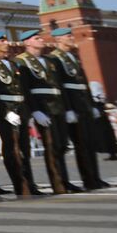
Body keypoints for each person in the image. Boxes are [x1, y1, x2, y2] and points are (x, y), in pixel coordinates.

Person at [46, 28, 106, 190]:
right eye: (68, 36)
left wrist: (92, 104)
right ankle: (88, 179)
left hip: (84, 103)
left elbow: (83, 81)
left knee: (89, 143)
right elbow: (59, 85)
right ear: (58, 39)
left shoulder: (73, 56)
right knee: (79, 144)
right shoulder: (54, 59)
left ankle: (95, 177)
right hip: (72, 106)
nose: (72, 38)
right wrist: (68, 108)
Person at [0, 32, 38, 196]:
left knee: (24, 150)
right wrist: (6, 113)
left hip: (20, 110)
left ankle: (30, 184)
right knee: (12, 150)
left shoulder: (12, 64)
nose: (6, 43)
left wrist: (28, 110)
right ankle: (21, 186)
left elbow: (22, 89)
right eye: (2, 41)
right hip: (5, 112)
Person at [16, 31, 73, 194]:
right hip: (42, 107)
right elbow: (25, 89)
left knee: (62, 145)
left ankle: (65, 180)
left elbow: (59, 86)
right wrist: (34, 111)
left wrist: (67, 108)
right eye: (37, 38)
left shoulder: (49, 61)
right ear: (27, 42)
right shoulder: (21, 61)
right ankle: (58, 184)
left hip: (58, 106)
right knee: (51, 146)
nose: (41, 40)